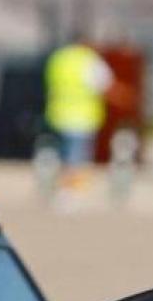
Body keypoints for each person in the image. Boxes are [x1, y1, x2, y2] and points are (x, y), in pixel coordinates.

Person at [43, 37, 114, 191]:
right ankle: (71, 187)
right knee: (77, 154)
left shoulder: (59, 58)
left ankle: (54, 182)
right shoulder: (89, 61)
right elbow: (104, 84)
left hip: (58, 113)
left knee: (62, 151)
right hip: (82, 115)